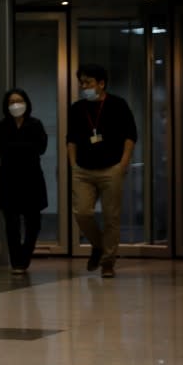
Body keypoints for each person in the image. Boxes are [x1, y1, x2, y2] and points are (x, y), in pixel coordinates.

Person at [67, 63, 137, 278]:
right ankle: (98, 246)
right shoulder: (77, 108)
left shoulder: (118, 105)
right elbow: (71, 139)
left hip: (111, 168)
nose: (83, 86)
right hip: (83, 169)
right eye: (81, 82)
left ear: (101, 83)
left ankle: (108, 262)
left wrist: (123, 163)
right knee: (82, 212)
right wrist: (73, 164)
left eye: (88, 82)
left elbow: (131, 135)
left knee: (111, 217)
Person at [0, 89, 48, 274]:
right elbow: (3, 150)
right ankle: (17, 261)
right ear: (6, 106)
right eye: (11, 101)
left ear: (26, 102)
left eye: (19, 100)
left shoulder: (35, 124)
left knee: (34, 223)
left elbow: (41, 148)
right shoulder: (2, 126)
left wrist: (18, 148)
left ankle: (25, 256)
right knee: (11, 223)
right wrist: (25, 148)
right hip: (9, 179)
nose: (15, 104)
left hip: (32, 179)